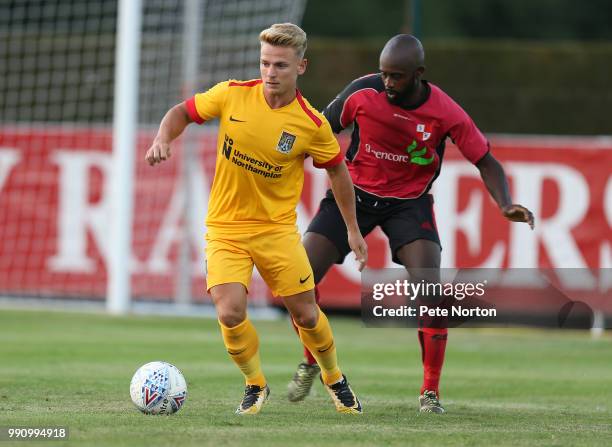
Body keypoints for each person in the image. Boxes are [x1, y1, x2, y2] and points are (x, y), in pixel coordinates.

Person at [287, 34, 535, 413]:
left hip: (409, 205)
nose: (387, 83)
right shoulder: (362, 92)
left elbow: (485, 159)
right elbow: (318, 129)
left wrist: (504, 204)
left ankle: (430, 392)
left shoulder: (446, 111)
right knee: (297, 280)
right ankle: (311, 362)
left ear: (418, 74)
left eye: (397, 77)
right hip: (352, 196)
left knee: (431, 294)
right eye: (384, 74)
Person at [145, 23, 367, 415]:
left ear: (301, 66)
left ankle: (335, 378)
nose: (270, 72)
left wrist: (352, 229)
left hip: (276, 232)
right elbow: (182, 112)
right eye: (265, 63)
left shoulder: (311, 124)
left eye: (280, 65)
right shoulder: (231, 95)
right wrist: (164, 138)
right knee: (229, 312)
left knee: (306, 314)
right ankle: (255, 385)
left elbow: (338, 172)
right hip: (226, 228)